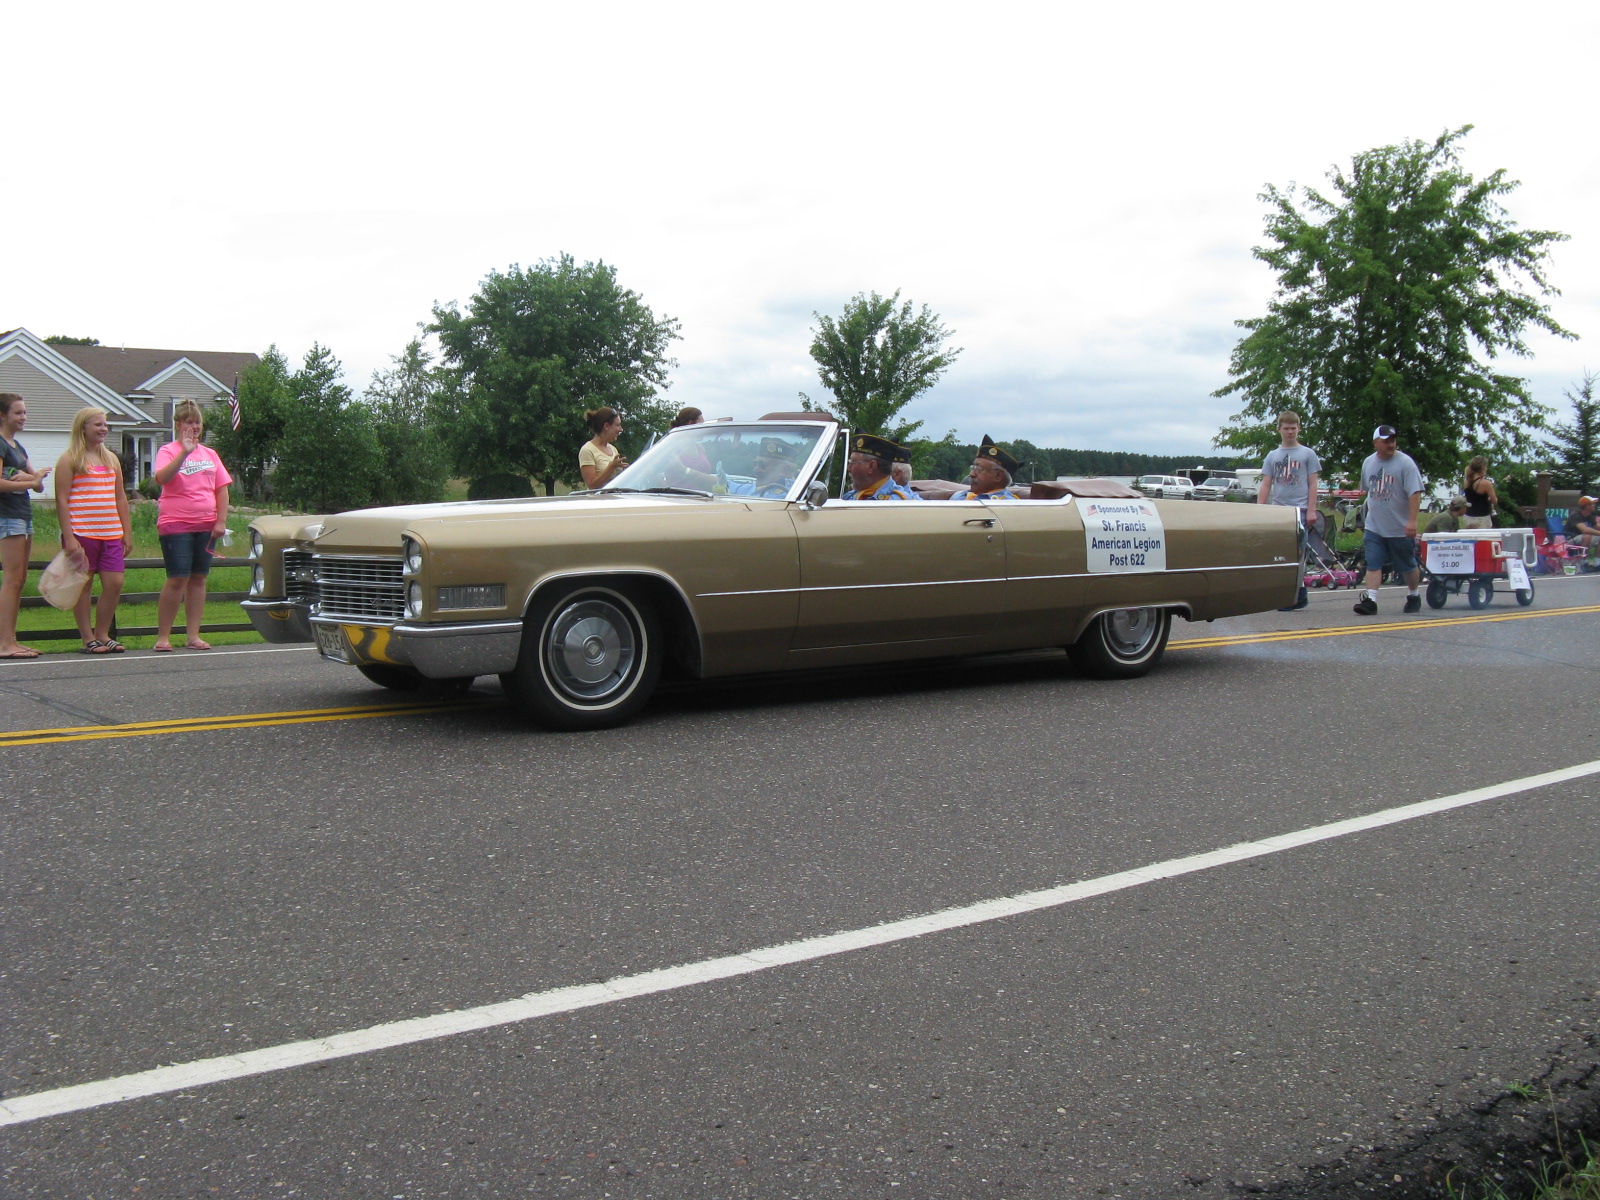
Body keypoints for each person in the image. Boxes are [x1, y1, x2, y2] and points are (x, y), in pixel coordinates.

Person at [151, 400, 232, 652]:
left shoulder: (210, 454)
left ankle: (193, 635)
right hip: (176, 523)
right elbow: (162, 478)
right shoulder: (168, 450)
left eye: (197, 422)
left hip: (206, 524)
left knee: (199, 578)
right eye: (188, 422)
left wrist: (220, 521)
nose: (194, 427)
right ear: (178, 425)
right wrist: (184, 453)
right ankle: (163, 636)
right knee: (178, 578)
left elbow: (221, 489)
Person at [55, 407, 132, 653]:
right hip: (81, 531)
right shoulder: (70, 459)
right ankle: (88, 637)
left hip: (110, 531)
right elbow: (62, 499)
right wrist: (69, 537)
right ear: (83, 428)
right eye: (97, 425)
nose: (103, 429)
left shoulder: (110, 459)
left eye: (104, 425)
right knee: (83, 584)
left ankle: (103, 632)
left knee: (115, 582)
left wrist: (126, 532)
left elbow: (120, 496)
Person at [0, 393, 53, 659]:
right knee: (11, 579)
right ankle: (4, 644)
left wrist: (33, 479)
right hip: (7, 516)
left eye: (24, 412)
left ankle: (12, 640)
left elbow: (39, 484)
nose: (23, 417)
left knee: (19, 579)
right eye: (18, 413)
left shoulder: (18, 447)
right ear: (2, 415)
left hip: (23, 514)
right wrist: (30, 481)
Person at [1352, 424, 1424, 616]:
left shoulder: (1405, 463)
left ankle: (1413, 594)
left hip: (1399, 527)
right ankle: (1371, 600)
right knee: (1373, 562)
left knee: (1407, 564)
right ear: (1376, 443)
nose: (1390, 444)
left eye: (1392, 440)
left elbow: (1415, 493)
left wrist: (1412, 521)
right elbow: (1368, 491)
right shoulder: (1368, 463)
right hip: (1374, 525)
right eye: (1386, 441)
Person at [1257, 410, 1321, 610]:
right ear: (1279, 429)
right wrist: (1260, 508)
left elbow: (1313, 483)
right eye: (1286, 428)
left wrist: (1312, 510)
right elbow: (1267, 483)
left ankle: (1298, 593)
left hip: (1299, 509)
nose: (1290, 432)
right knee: (1280, 552)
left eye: (1293, 428)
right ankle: (1288, 592)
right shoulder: (1273, 456)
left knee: (1298, 552)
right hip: (1279, 510)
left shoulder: (1307, 454)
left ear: (1298, 429)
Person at [946, 436, 1020, 500]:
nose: (971, 474)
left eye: (979, 469)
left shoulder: (1008, 505)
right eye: (973, 467)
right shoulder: (959, 497)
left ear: (998, 476)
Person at [842, 434, 913, 500]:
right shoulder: (849, 497)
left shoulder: (897, 502)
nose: (849, 468)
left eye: (852, 462)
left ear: (871, 466)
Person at [725, 437, 799, 498]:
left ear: (784, 470)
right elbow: (726, 484)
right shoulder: (751, 489)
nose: (755, 469)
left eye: (762, 465)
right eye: (755, 464)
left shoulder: (794, 494)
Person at [578, 407, 628, 489]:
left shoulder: (613, 449)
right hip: (598, 501)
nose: (621, 429)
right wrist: (611, 467)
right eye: (618, 425)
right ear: (606, 426)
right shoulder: (587, 450)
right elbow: (592, 485)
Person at [1564, 495, 1600, 569]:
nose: (1594, 505)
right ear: (1587, 506)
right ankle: (1583, 562)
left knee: (1590, 536)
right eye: (1592, 504)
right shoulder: (1575, 515)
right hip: (1570, 539)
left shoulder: (1589, 516)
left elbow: (1597, 526)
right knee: (1587, 536)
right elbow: (1585, 530)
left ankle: (1597, 563)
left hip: (1584, 538)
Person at [1461, 456, 1497, 529]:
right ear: (1482, 468)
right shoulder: (1486, 483)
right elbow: (1494, 500)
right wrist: (1489, 499)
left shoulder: (1467, 481)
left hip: (1468, 516)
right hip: (1482, 518)